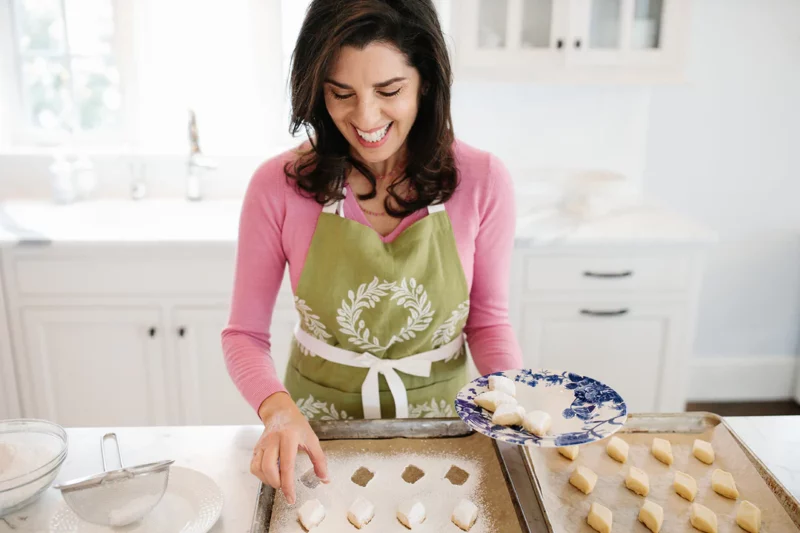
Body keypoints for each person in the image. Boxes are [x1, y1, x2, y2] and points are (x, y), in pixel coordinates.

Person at [221, 0, 523, 506]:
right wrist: (278, 411)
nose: (365, 117)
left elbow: (488, 323)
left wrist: (511, 398)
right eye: (342, 93)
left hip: (446, 429)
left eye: (389, 91)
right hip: (316, 435)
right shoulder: (277, 187)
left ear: (425, 80)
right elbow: (243, 335)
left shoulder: (483, 181)